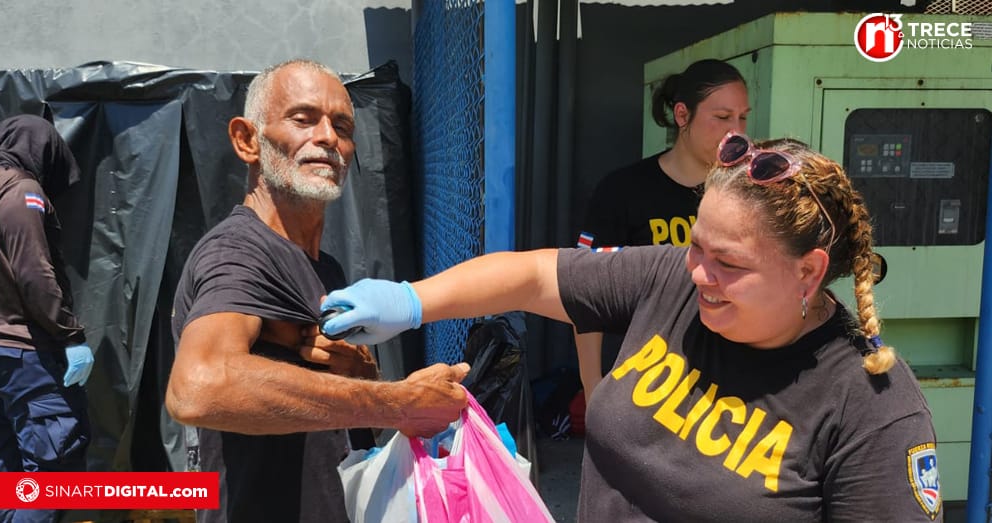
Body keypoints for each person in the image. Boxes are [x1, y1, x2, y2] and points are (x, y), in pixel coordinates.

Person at [322, 134, 942, 521]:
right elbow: (535, 275)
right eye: (698, 245)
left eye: (729, 263)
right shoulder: (671, 282)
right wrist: (410, 301)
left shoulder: (871, 404)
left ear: (809, 272)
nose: (699, 273)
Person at [164, 59, 469, 523]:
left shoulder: (323, 265)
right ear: (248, 141)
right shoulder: (239, 252)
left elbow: (319, 402)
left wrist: (361, 375)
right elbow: (199, 387)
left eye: (342, 125)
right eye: (303, 119)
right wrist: (399, 403)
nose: (328, 137)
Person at [575, 59, 750, 399]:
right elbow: (583, 290)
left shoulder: (747, 193)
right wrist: (592, 382)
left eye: (742, 117)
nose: (736, 131)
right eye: (723, 117)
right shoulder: (623, 190)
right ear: (682, 115)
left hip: (728, 385)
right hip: (642, 383)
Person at [0, 114, 95, 523]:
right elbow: (36, 274)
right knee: (54, 471)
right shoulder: (21, 191)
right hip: (25, 353)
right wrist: (71, 336)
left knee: (5, 467)